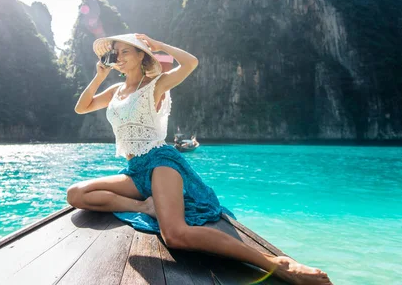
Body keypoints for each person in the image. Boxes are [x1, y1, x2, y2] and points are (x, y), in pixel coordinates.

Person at [68, 33, 331, 285]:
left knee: (175, 236)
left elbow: (191, 63)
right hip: (134, 170)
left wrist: (158, 44)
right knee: (76, 194)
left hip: (161, 163)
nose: (120, 57)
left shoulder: (155, 84)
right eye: (117, 52)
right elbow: (82, 107)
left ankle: (276, 265)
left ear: (141, 55)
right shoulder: (115, 91)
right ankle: (146, 207)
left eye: (126, 51)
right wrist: (99, 76)